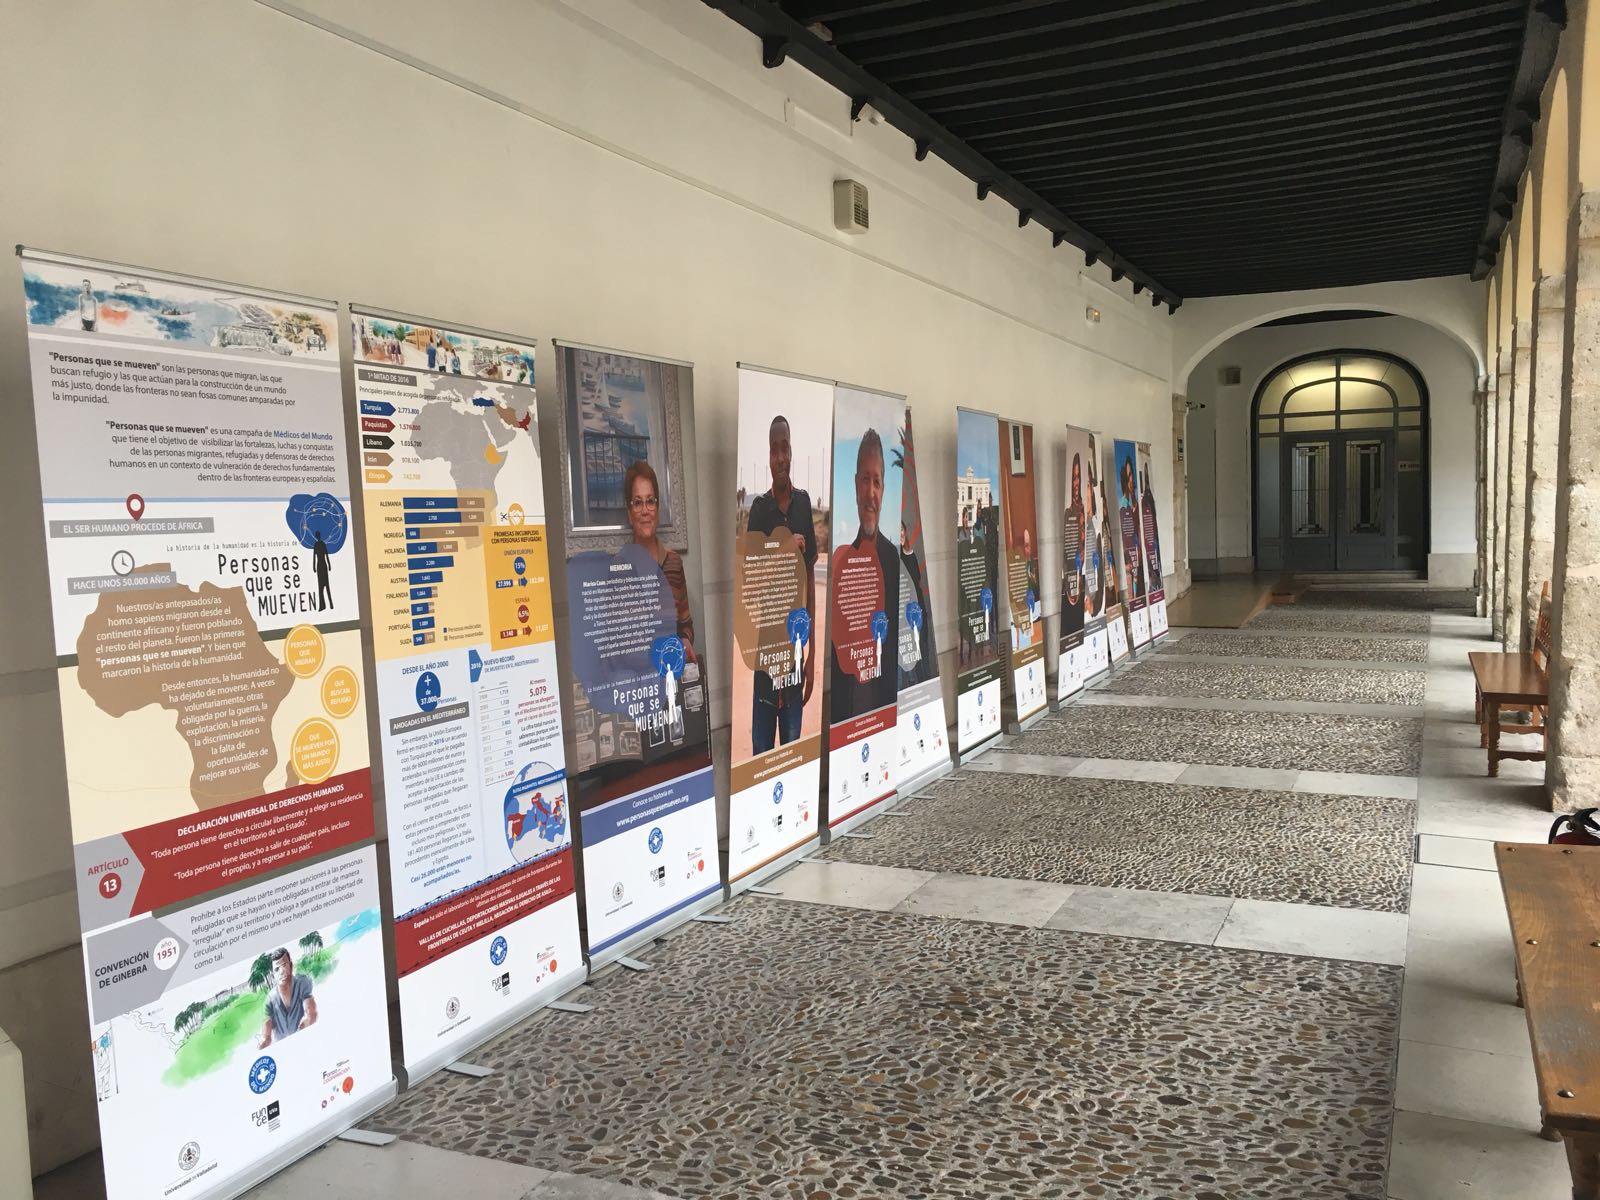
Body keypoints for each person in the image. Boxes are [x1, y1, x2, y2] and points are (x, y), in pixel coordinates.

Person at [744, 415, 815, 752]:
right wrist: (785, 548)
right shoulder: (759, 510)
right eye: (774, 450)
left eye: (784, 448)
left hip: (796, 653)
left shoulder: (803, 503)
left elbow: (810, 578)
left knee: (792, 751)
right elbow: (751, 582)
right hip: (765, 656)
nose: (780, 457)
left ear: (791, 452)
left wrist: (811, 657)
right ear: (769, 456)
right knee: (762, 752)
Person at [829, 429, 899, 721]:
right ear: (856, 484)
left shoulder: (892, 560)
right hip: (848, 714)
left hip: (885, 707)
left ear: (884, 490)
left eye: (877, 482)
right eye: (866, 480)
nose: (871, 492)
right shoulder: (842, 563)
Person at [625, 460, 697, 662]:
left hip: (672, 673)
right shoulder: (619, 569)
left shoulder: (674, 563)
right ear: (629, 514)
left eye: (650, 501)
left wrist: (685, 640)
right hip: (639, 678)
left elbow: (686, 625)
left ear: (657, 509)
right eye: (637, 503)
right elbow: (617, 646)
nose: (645, 510)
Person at [258, 947, 316, 1048]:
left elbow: (311, 1014)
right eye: (277, 969)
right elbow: (266, 1037)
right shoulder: (270, 1000)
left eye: (284, 965)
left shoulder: (303, 983)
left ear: (291, 966)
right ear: (273, 975)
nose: (281, 971)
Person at [1063, 452, 1086, 621]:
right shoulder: (1068, 513)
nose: (1076, 482)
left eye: (1078, 477)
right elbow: (1066, 555)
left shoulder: (1086, 509)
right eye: (1074, 478)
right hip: (1075, 569)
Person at [1119, 454, 1146, 599]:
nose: (1130, 480)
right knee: (1135, 596)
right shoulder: (1124, 505)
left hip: (1142, 562)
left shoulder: (1139, 503)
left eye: (1132, 476)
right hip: (1132, 561)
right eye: (1128, 476)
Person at [313, 532, 332, 611]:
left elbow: (325, 555)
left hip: (321, 566)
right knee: (323, 586)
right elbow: (315, 557)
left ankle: (329, 604)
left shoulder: (317, 545)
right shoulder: (320, 544)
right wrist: (329, 565)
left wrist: (314, 566)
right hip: (322, 566)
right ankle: (325, 605)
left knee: (324, 586)